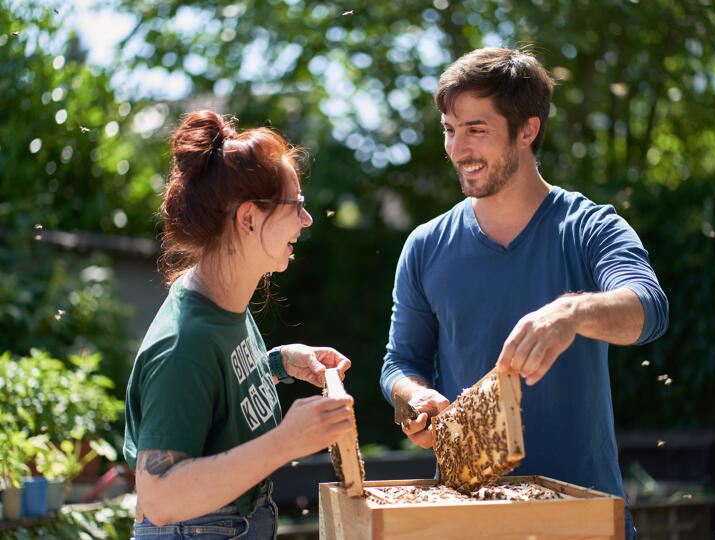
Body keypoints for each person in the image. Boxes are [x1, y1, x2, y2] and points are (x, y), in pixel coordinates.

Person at [380, 48, 668, 540]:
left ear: (527, 130)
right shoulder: (425, 246)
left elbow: (649, 307)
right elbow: (399, 362)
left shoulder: (588, 226)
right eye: (450, 129)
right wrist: (414, 397)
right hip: (466, 521)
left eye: (476, 129)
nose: (457, 148)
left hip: (585, 519)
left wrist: (572, 312)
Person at [123, 110, 355, 540]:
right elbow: (160, 498)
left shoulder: (224, 300)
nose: (306, 220)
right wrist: (286, 442)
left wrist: (280, 363)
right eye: (297, 206)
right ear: (249, 219)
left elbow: (215, 394)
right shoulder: (183, 344)